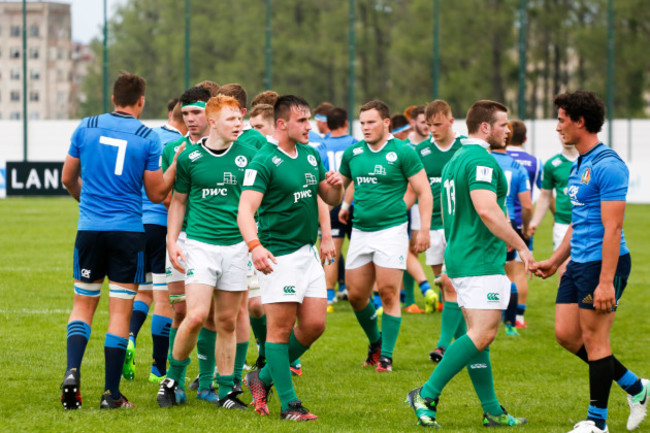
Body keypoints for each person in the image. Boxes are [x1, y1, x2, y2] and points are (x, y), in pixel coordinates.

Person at [406, 100, 532, 428]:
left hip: (462, 256)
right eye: (503, 124)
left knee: (479, 336)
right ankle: (426, 394)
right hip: (479, 260)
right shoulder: (479, 159)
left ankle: (491, 410)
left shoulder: (456, 158)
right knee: (483, 333)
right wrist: (520, 245)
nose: (509, 130)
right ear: (486, 127)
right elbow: (486, 209)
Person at [60, 72, 178, 410]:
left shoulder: (86, 126)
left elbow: (68, 177)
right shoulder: (147, 137)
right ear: (141, 101)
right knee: (119, 312)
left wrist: (84, 200)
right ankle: (111, 394)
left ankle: (72, 373)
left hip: (90, 229)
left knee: (82, 305)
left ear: (113, 98)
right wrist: (175, 165)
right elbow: (156, 193)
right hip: (128, 232)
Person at [532, 90, 648, 433]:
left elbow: (612, 229)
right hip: (577, 263)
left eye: (562, 119)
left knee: (596, 340)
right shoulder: (578, 163)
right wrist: (555, 260)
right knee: (567, 335)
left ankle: (597, 424)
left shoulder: (609, 165)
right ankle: (636, 387)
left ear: (580, 122)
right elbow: (579, 222)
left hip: (603, 265)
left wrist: (606, 281)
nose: (557, 127)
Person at [239, 94, 343, 421]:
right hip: (277, 256)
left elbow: (325, 197)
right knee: (279, 332)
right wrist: (255, 246)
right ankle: (289, 405)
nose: (309, 126)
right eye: (302, 121)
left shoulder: (311, 156)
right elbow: (244, 210)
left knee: (314, 325)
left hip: (307, 253)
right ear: (282, 124)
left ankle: (263, 377)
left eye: (309, 119)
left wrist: (338, 187)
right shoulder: (264, 161)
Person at [157, 95, 257, 410]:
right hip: (199, 245)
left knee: (227, 320)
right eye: (231, 120)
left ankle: (226, 391)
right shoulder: (189, 158)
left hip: (236, 247)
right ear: (212, 122)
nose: (238, 124)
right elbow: (179, 202)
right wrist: (173, 241)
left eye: (239, 119)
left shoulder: (250, 155)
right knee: (197, 314)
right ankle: (171, 380)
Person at [338, 100, 432, 373]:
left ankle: (386, 358)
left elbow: (424, 191)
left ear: (386, 123)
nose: (366, 127)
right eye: (363, 122)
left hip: (391, 230)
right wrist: (336, 202)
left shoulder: (403, 151)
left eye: (371, 122)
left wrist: (423, 229)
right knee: (356, 295)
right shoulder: (353, 152)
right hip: (360, 232)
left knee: (390, 292)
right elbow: (341, 186)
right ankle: (375, 342)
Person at [122, 98, 187, 384]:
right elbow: (168, 193)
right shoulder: (179, 145)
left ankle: (130, 336)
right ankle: (158, 368)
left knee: (143, 291)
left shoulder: (147, 135)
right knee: (165, 298)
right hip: (161, 224)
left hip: (136, 225)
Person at [160, 85, 215, 400]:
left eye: (197, 113)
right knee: (180, 312)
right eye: (186, 114)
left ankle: (206, 383)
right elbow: (166, 198)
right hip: (181, 238)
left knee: (207, 315)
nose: (191, 120)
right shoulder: (174, 149)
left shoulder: (231, 149)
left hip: (214, 240)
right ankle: (174, 380)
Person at [415, 100, 465, 361]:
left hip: (458, 226)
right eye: (428, 124)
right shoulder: (421, 151)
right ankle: (467, 345)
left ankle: (444, 345)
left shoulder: (464, 148)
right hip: (432, 227)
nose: (432, 129)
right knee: (448, 290)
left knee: (450, 283)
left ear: (451, 120)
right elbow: (414, 189)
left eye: (437, 124)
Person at [491, 126, 532, 337]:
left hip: (486, 222)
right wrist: (524, 229)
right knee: (513, 272)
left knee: (487, 270)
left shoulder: (483, 160)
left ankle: (485, 316)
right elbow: (527, 205)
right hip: (509, 223)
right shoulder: (518, 167)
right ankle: (511, 324)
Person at [316, 107, 358, 312]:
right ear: (345, 123)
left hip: (330, 203)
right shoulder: (355, 145)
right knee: (360, 251)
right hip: (354, 203)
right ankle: (370, 298)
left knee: (331, 251)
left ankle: (329, 297)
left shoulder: (321, 146)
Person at [506, 119, 542, 328]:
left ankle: (500, 312)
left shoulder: (496, 156)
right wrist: (530, 225)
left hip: (498, 222)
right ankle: (517, 317)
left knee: (500, 269)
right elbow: (544, 193)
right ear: (525, 139)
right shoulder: (534, 162)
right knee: (519, 271)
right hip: (521, 223)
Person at [527, 134, 578, 280]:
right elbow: (545, 196)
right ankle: (566, 302)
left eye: (566, 133)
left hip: (586, 223)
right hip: (562, 224)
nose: (564, 137)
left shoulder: (588, 161)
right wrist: (535, 222)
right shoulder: (552, 164)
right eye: (561, 134)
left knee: (586, 272)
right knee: (564, 272)